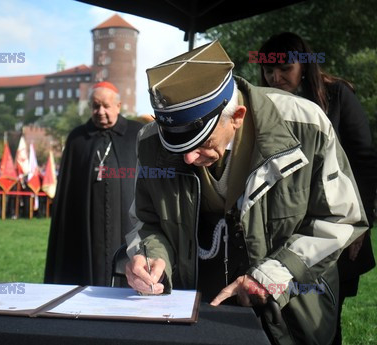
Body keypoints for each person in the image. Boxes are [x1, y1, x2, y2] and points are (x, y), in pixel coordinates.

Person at [124, 41, 368, 345]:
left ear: (237, 117)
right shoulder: (149, 142)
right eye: (178, 146)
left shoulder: (306, 124)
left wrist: (269, 278)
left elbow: (338, 218)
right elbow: (147, 221)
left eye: (201, 143)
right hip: (192, 310)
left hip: (288, 312)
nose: (188, 158)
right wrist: (149, 257)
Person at [258, 32, 377, 344]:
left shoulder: (338, 95)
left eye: (285, 68)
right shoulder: (265, 104)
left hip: (336, 221)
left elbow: (364, 159)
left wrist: (360, 226)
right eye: (269, 71)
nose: (276, 77)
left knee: (325, 317)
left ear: (304, 65)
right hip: (287, 227)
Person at [44, 81, 143, 286]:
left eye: (106, 106)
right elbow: (67, 192)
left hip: (127, 223)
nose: (100, 111)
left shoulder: (137, 134)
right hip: (84, 225)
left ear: (118, 105)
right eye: (95, 106)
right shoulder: (77, 139)